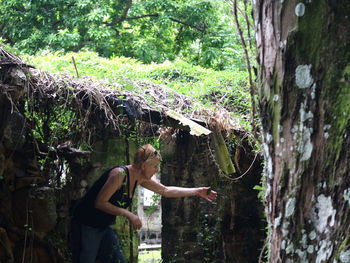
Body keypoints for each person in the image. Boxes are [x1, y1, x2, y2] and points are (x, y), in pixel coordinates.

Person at [70, 144, 217, 263]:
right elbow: (100, 203)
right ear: (143, 166)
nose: (156, 170)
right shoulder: (119, 175)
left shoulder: (140, 178)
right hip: (86, 224)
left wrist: (197, 191)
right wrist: (129, 214)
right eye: (154, 166)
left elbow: (166, 190)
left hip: (103, 226)